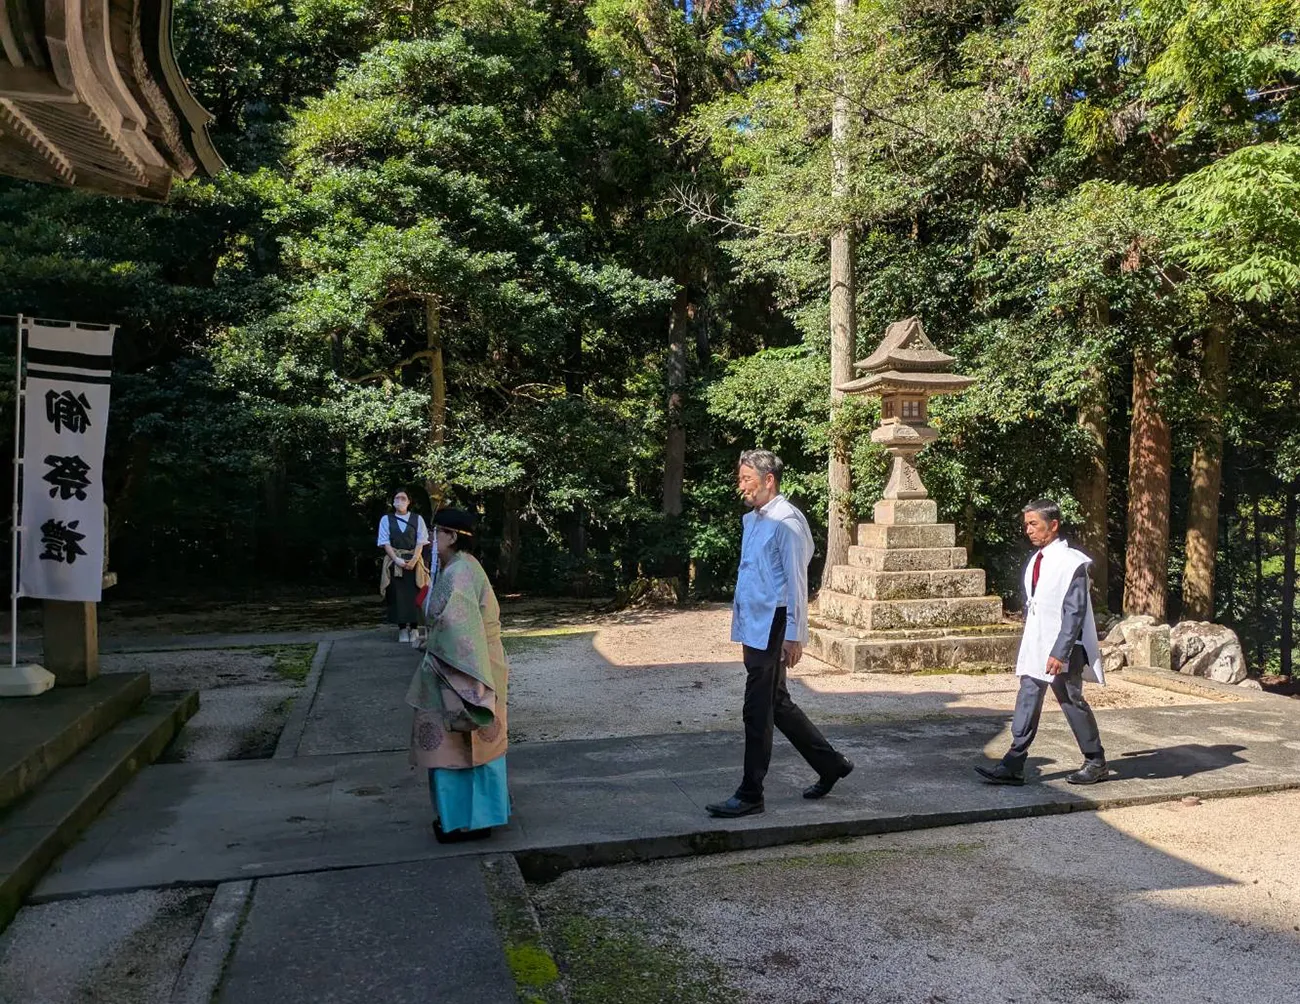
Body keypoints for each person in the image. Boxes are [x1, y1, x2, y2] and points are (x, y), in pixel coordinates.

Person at [706, 450, 854, 818]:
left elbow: (797, 580)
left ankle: (750, 791)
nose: (741, 486)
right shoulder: (756, 519)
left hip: (775, 621)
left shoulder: (787, 520)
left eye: (747, 479)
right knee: (777, 703)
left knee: (757, 707)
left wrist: (795, 634)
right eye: (740, 479)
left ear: (768, 479)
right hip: (756, 622)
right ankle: (830, 764)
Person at [975, 498, 1108, 786]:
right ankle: (1014, 762)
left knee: (1071, 700)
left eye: (1034, 524)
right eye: (1027, 525)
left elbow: (1075, 612)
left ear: (1054, 524)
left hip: (1064, 647)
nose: (1029, 530)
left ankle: (1095, 761)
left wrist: (1060, 651)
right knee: (1028, 695)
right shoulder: (1037, 559)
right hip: (1037, 642)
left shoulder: (1073, 563)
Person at [406, 508, 511, 842]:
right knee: (475, 743)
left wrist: (434, 649)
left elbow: (454, 627)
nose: (433, 539)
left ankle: (465, 822)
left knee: (459, 743)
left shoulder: (459, 572)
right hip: (479, 662)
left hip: (464, 668)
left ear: (452, 536)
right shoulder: (464, 566)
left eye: (437, 532)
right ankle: (480, 816)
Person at [378, 491, 429, 647]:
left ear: (409, 502)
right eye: (397, 498)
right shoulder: (386, 519)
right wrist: (397, 560)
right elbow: (385, 542)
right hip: (395, 561)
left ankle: (414, 628)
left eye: (403, 498)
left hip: (414, 560)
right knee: (397, 594)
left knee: (415, 593)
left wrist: (414, 559)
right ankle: (401, 628)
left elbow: (421, 540)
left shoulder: (417, 519)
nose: (400, 501)